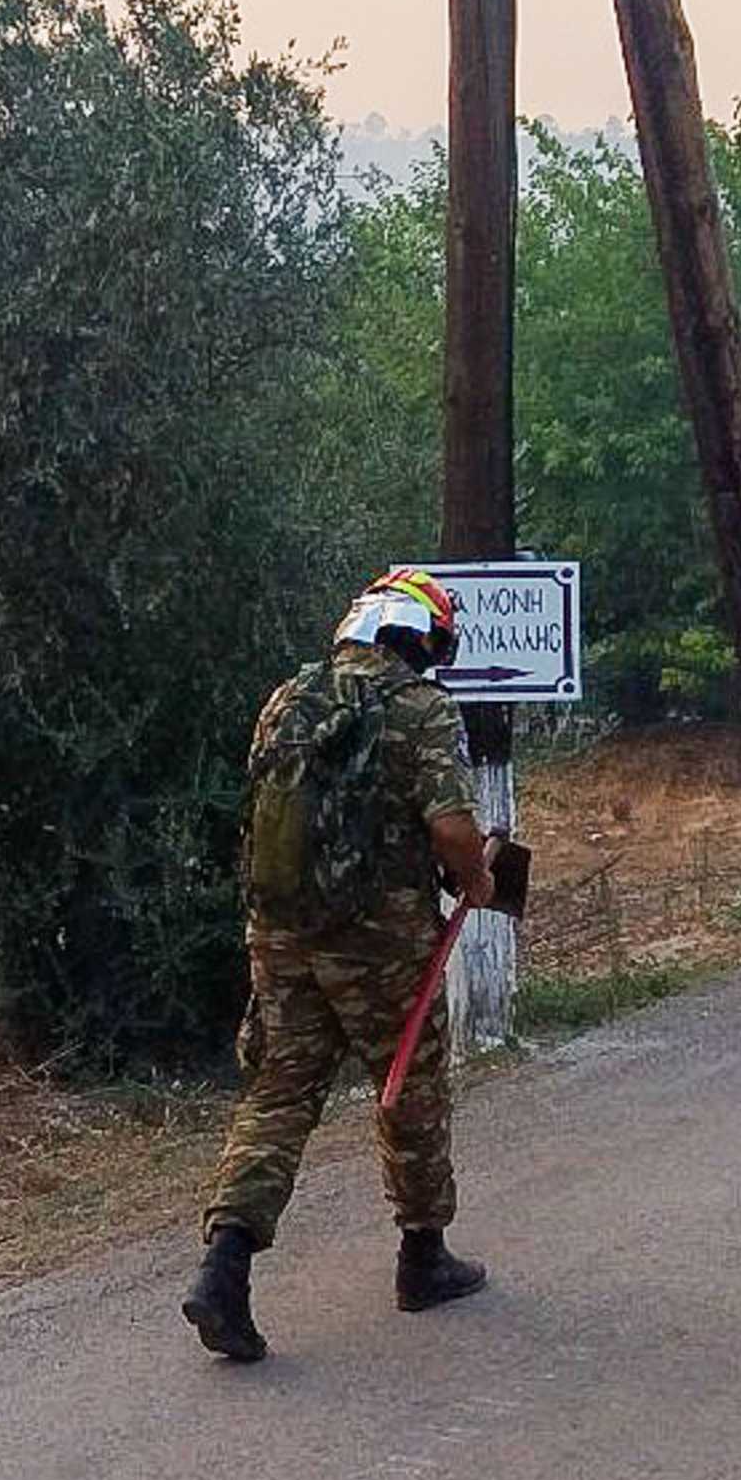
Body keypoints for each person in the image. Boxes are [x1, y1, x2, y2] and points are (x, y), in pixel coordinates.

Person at [184, 568, 499, 1363]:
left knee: (279, 1093)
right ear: (417, 637)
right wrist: (477, 878)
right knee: (410, 1086)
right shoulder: (421, 709)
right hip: (380, 942)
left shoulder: (286, 701)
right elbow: (452, 829)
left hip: (281, 932)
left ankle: (224, 1266)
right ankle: (423, 1258)